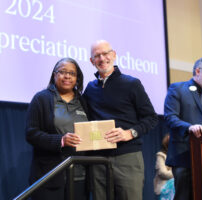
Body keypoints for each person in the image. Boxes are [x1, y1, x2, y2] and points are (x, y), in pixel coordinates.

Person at [83, 40, 159, 200]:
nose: (102, 59)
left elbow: (151, 118)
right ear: (92, 61)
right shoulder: (90, 89)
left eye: (105, 54)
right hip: (98, 161)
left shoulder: (131, 84)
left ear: (114, 55)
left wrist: (130, 133)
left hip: (127, 158)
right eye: (97, 56)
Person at [25, 57, 88, 200]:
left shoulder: (83, 101)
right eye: (62, 72)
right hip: (50, 177)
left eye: (72, 73)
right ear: (54, 75)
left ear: (77, 78)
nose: (67, 76)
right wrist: (61, 140)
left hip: (79, 177)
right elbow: (31, 134)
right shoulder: (41, 99)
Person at [164, 57, 202, 200]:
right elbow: (170, 117)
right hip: (184, 155)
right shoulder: (177, 89)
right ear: (197, 71)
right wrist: (189, 127)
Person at [153, 134, 174, 200]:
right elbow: (163, 173)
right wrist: (177, 173)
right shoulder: (161, 155)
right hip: (165, 186)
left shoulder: (178, 155)